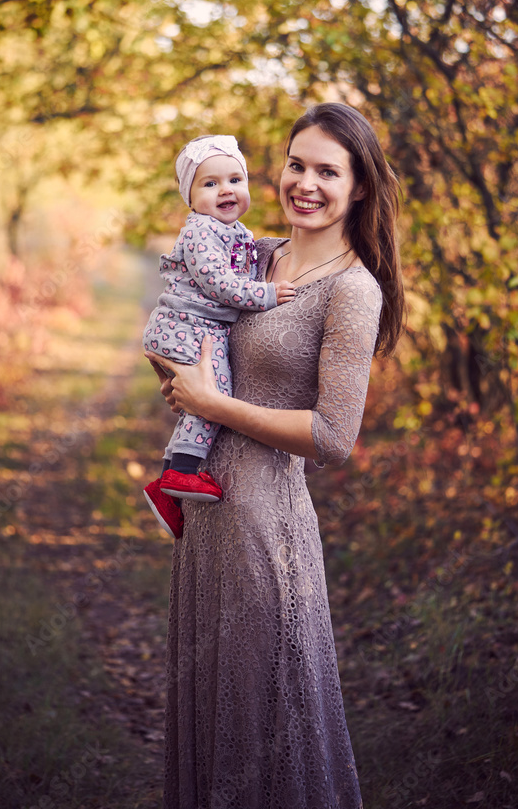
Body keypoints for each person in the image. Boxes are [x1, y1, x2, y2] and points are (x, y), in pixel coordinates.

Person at [147, 102, 404, 809]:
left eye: (329, 171)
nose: (306, 183)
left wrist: (214, 406)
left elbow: (332, 439)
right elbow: (190, 346)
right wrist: (172, 372)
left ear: (358, 188)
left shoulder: (352, 291)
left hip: (266, 526)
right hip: (206, 517)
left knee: (268, 719)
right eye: (296, 164)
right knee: (216, 716)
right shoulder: (250, 254)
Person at [142, 134, 296, 539]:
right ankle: (182, 474)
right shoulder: (199, 233)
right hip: (186, 325)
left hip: (195, 326)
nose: (225, 190)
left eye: (234, 180)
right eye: (209, 184)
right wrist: (266, 294)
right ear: (190, 198)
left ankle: (167, 489)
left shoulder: (236, 231)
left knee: (202, 398)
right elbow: (219, 284)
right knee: (213, 394)